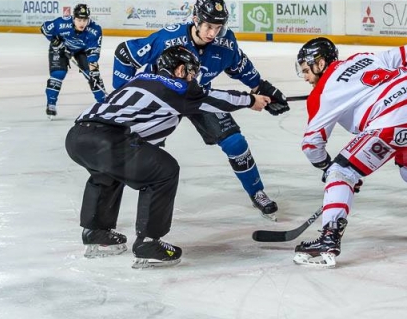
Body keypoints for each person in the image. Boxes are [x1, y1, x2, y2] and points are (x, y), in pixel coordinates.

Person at [66, 46, 271, 268]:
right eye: (191, 73)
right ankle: (149, 243)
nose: (193, 78)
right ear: (180, 69)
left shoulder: (143, 77)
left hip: (78, 136)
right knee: (164, 170)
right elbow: (210, 99)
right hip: (109, 138)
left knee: (108, 172)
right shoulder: (176, 86)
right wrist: (250, 100)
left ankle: (96, 232)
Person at [292, 38, 407, 268]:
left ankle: (329, 239)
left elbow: (312, 144)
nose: (306, 77)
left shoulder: (323, 92)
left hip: (394, 116)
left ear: (319, 63)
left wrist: (326, 167)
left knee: (341, 171)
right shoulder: (363, 58)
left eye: (307, 70)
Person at [113, 0, 289, 219]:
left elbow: (241, 68)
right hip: (161, 99)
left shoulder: (225, 43)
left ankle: (257, 192)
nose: (212, 33)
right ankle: (108, 214)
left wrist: (264, 89)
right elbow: (124, 54)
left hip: (197, 96)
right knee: (134, 149)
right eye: (208, 26)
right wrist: (124, 93)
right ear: (195, 19)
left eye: (218, 27)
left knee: (235, 142)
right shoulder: (168, 38)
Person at [40, 4, 105, 118]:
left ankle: (104, 104)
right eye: (79, 20)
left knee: (93, 75)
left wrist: (94, 70)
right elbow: (44, 28)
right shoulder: (61, 24)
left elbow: (93, 52)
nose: (82, 23)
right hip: (61, 48)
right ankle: (51, 104)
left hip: (82, 51)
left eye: (84, 20)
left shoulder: (95, 30)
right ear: (73, 18)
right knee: (58, 74)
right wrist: (55, 41)